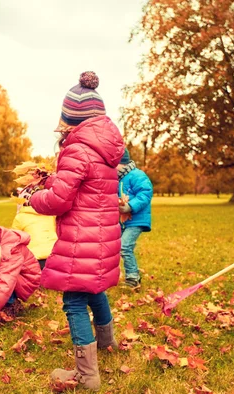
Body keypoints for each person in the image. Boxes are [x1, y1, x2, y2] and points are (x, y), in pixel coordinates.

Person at [28, 71, 124, 391]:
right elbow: (84, 186)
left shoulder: (77, 148)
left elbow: (59, 201)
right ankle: (107, 342)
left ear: (72, 118)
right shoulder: (104, 149)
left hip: (83, 236)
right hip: (101, 235)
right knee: (95, 288)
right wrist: (51, 180)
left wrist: (34, 198)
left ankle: (87, 375)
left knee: (73, 301)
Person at [117, 148, 153, 288]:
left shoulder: (136, 175)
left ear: (122, 163)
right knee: (116, 247)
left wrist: (130, 206)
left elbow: (145, 193)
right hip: (122, 221)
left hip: (136, 220)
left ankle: (133, 278)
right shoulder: (116, 179)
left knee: (125, 246)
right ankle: (119, 274)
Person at [11, 164, 58, 270]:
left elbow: (13, 242)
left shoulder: (20, 218)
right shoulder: (51, 215)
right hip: (55, 258)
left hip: (34, 261)